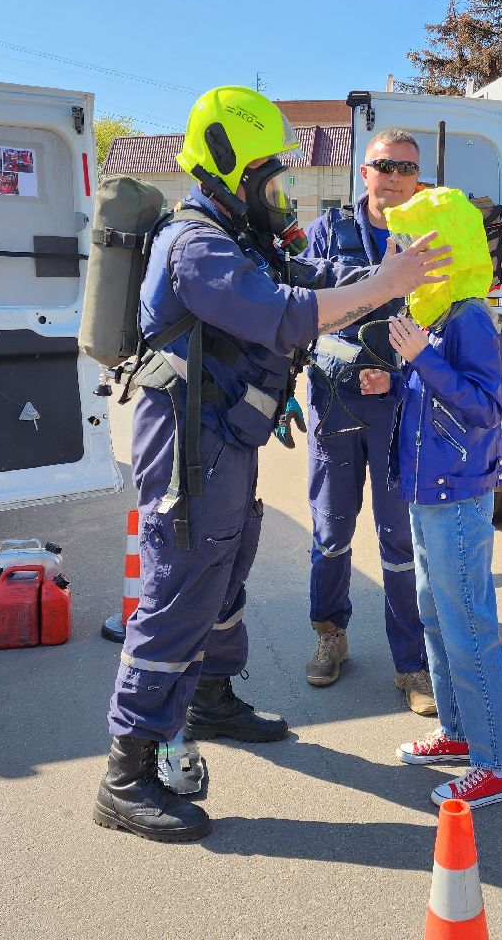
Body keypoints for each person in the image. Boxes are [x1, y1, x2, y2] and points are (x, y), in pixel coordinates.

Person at [95, 87, 449, 843]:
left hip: (226, 437)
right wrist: (383, 288)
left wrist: (372, 271)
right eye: (271, 178)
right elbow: (285, 313)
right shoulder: (197, 245)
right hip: (190, 450)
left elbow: (301, 280)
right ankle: (125, 775)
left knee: (225, 573)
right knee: (178, 593)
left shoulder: (237, 234)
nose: (281, 193)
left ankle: (211, 697)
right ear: (229, 171)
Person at [382, 192, 502, 810]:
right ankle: (460, 734)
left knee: (466, 626)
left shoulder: (466, 317)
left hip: (456, 496)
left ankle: (496, 765)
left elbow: (486, 407)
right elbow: (439, 397)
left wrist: (422, 360)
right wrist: (397, 374)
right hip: (430, 492)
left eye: (409, 244)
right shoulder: (438, 315)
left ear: (441, 251)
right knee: (436, 617)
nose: (397, 254)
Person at [299, 128, 435, 716]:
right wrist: (349, 357)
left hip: (397, 407)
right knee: (331, 534)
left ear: (417, 176)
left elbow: (442, 327)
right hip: (333, 401)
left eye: (405, 168)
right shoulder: (328, 232)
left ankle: (412, 663)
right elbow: (297, 305)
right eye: (384, 165)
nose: (394, 176)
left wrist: (397, 379)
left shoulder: (430, 237)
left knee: (399, 540)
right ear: (364, 171)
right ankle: (330, 634)